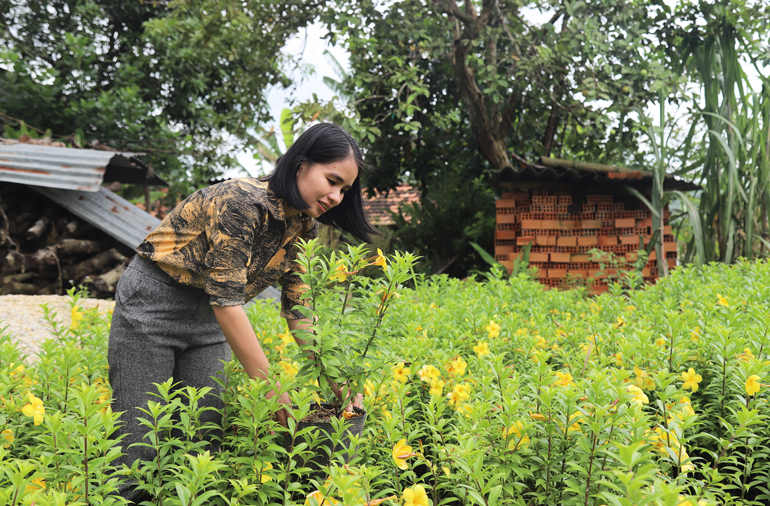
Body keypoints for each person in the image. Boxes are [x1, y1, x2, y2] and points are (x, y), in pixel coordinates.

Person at [108, 122, 377, 502]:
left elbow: (298, 311)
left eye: (344, 190)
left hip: (209, 317)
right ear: (301, 163)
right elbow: (228, 302)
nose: (336, 196)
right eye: (332, 180)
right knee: (136, 447)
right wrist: (273, 390)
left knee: (203, 440)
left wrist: (341, 384)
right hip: (153, 303)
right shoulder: (241, 201)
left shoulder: (303, 227)